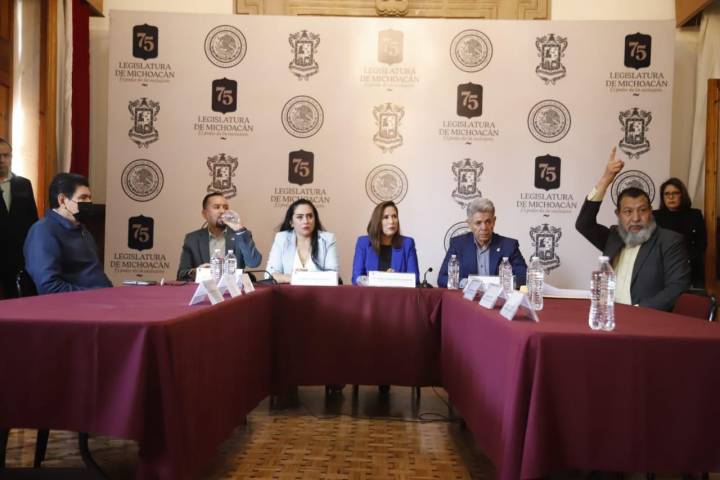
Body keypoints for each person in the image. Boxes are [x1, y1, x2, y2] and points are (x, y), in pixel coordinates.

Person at [575, 147, 690, 311]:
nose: (636, 218)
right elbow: (584, 224)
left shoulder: (669, 241)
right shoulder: (614, 237)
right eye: (628, 212)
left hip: (645, 318)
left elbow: (677, 287)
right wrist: (606, 179)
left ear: (650, 211)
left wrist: (638, 311)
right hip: (609, 315)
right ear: (618, 214)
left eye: (642, 210)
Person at [23, 173, 112, 294]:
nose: (89, 202)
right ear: (62, 200)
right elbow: (48, 286)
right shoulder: (43, 231)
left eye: (90, 197)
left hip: (104, 298)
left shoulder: (82, 229)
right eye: (83, 198)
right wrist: (93, 295)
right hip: (81, 303)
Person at [438, 198, 527, 288]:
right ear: (469, 224)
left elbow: (524, 278)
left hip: (499, 296)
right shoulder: (458, 244)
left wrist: (499, 284)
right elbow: (442, 278)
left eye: (488, 222)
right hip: (467, 296)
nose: (484, 227)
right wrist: (467, 283)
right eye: (478, 223)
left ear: (494, 221)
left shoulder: (509, 246)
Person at [177, 192, 262, 281]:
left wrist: (240, 230)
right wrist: (197, 272)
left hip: (233, 288)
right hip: (204, 287)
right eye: (217, 207)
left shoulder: (240, 235)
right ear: (205, 214)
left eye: (225, 207)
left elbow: (254, 262)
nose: (222, 211)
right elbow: (181, 274)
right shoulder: (192, 239)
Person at [267, 198, 338, 283]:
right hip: (289, 291)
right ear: (291, 222)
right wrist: (294, 278)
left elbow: (333, 276)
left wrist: (302, 277)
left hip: (319, 291)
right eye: (300, 217)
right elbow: (270, 274)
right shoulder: (282, 238)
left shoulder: (328, 239)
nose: (306, 221)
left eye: (310, 216)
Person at [0, 138, 38, 298]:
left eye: (6, 155)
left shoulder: (24, 184)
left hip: (19, 256)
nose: (2, 160)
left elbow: (33, 220)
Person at [653, 177, 706, 288]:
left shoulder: (695, 215)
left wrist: (686, 261)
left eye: (675, 193)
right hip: (662, 268)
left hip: (690, 267)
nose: (671, 197)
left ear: (682, 195)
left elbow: (702, 243)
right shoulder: (655, 216)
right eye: (667, 194)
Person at [351, 201, 419, 285]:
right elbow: (356, 278)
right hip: (371, 293)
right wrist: (383, 278)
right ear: (377, 221)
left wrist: (394, 278)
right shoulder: (363, 243)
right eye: (386, 217)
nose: (392, 221)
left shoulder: (407, 244)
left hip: (397, 293)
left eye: (394, 216)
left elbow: (415, 279)